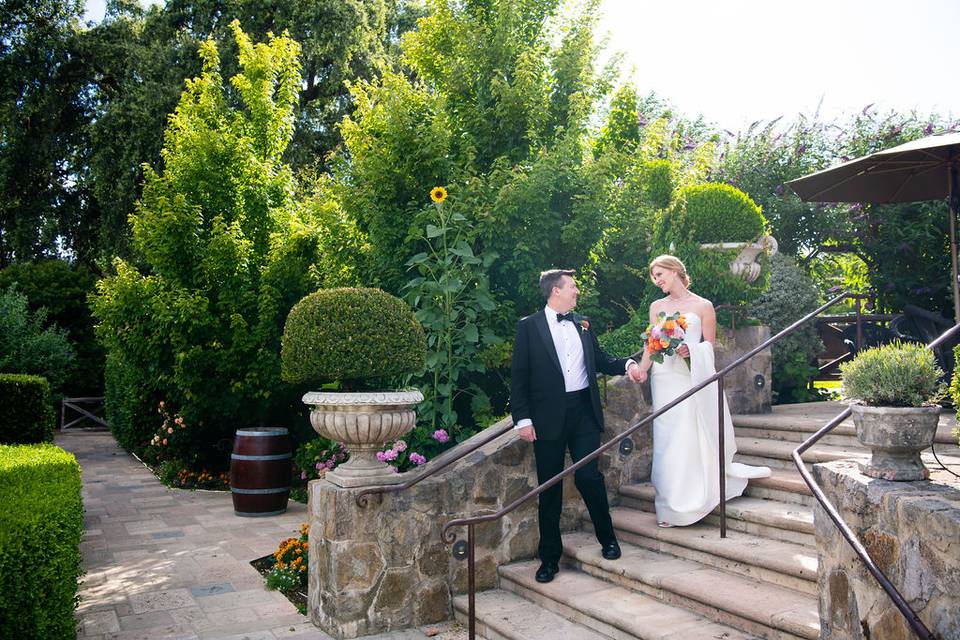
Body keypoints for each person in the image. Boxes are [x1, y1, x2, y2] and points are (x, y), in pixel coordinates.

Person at [511, 269, 643, 583]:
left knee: (589, 478)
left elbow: (598, 358)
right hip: (546, 419)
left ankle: (608, 539)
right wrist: (523, 419)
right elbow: (519, 378)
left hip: (583, 411)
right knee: (550, 488)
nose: (576, 291)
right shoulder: (528, 327)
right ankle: (549, 560)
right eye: (572, 286)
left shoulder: (582, 323)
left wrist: (627, 364)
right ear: (555, 291)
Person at [635, 255, 770, 528]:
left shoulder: (703, 306)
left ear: (675, 271)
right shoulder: (657, 306)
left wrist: (691, 351)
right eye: (654, 277)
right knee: (667, 434)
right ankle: (669, 503)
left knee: (688, 432)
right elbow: (652, 343)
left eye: (660, 274)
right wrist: (643, 369)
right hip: (664, 377)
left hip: (689, 375)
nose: (657, 281)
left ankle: (692, 495)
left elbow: (708, 346)